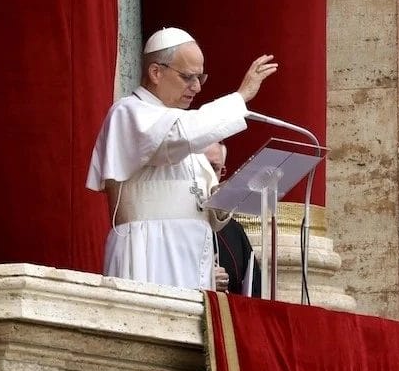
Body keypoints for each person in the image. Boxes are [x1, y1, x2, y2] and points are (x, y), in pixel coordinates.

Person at [86, 27, 278, 290]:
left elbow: (204, 207)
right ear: (156, 72)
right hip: (150, 253)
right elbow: (178, 136)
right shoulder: (128, 113)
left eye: (201, 77)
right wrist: (240, 98)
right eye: (188, 77)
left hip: (194, 256)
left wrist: (225, 198)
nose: (197, 87)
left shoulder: (186, 128)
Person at [204, 142, 262, 297]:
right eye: (203, 168)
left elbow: (254, 289)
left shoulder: (234, 230)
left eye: (214, 168)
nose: (209, 175)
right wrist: (203, 280)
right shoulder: (177, 222)